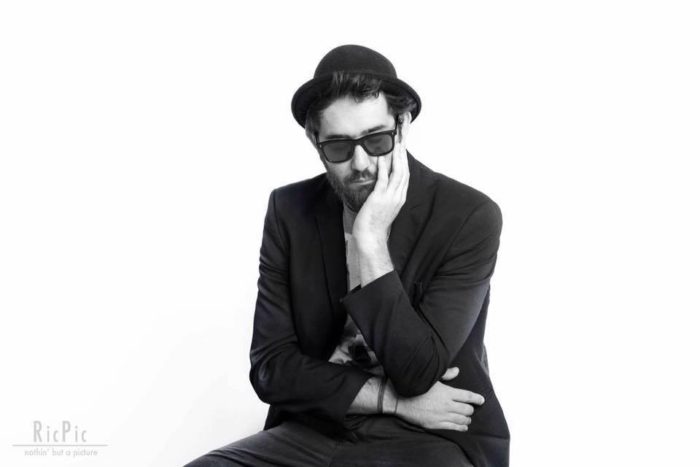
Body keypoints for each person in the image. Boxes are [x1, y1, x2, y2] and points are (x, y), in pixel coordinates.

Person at [184, 44, 510, 467]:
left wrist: (369, 240)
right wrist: (390, 399)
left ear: (403, 125)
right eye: (338, 146)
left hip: (431, 436)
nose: (360, 163)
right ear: (313, 140)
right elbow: (271, 368)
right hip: (318, 427)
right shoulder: (290, 211)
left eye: (376, 140)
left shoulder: (466, 216)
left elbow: (418, 372)